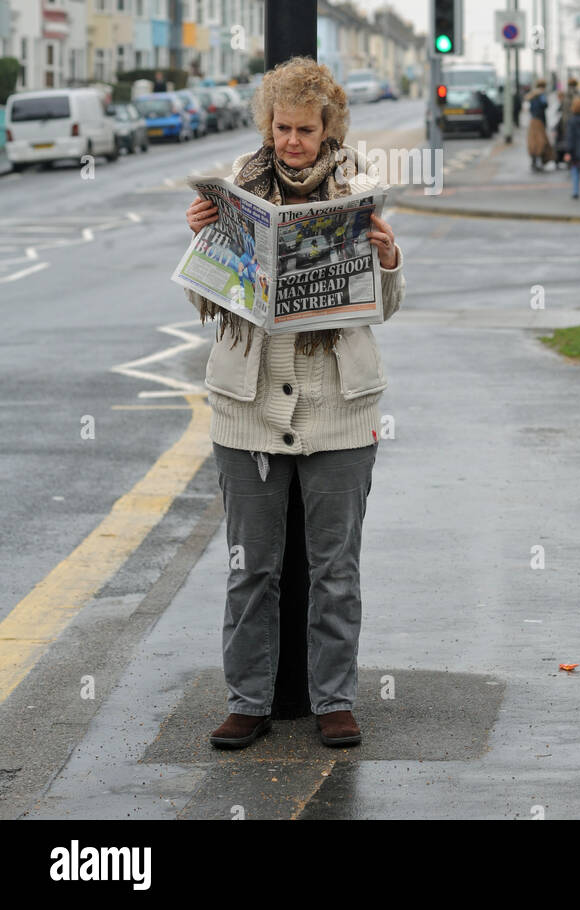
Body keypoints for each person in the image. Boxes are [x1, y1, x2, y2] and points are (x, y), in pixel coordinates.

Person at [183, 56, 405, 753]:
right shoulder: (235, 193)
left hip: (338, 407)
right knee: (252, 566)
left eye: (306, 129)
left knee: (335, 569)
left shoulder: (359, 192)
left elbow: (385, 309)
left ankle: (333, 701)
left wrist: (389, 260)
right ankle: (248, 701)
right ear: (268, 125)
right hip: (246, 412)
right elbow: (203, 302)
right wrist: (203, 241)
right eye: (282, 127)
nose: (292, 142)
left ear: (328, 127)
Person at [525, 79, 554, 172]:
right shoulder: (541, 95)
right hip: (539, 121)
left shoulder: (532, 95)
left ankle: (534, 162)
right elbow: (545, 104)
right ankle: (540, 162)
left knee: (533, 143)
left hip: (533, 120)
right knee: (541, 142)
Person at [555, 76, 579, 167]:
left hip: (567, 123)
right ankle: (575, 160)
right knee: (577, 142)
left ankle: (569, 159)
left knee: (568, 142)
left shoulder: (565, 96)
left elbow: (562, 110)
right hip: (577, 122)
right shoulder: (578, 95)